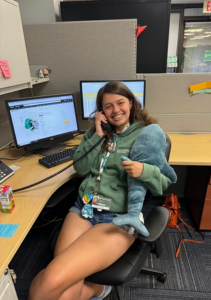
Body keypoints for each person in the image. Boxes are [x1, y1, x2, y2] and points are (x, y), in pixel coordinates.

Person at [28, 81, 173, 300]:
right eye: (108, 106)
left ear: (132, 103)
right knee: (64, 283)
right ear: (101, 112)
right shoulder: (95, 133)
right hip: (83, 210)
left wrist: (144, 171)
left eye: (120, 103)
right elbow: (81, 167)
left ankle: (98, 289)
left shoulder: (147, 135)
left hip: (117, 218)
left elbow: (162, 183)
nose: (115, 110)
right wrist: (97, 135)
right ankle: (97, 289)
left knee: (51, 280)